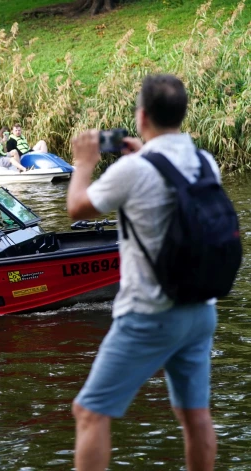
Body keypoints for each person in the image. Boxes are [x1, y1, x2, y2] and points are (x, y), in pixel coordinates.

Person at [66, 74, 219, 471]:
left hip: (149, 313)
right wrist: (142, 156)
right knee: (195, 416)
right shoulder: (206, 162)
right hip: (200, 308)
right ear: (182, 113)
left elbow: (78, 207)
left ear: (142, 115)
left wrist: (84, 164)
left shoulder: (133, 171)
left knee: (89, 412)